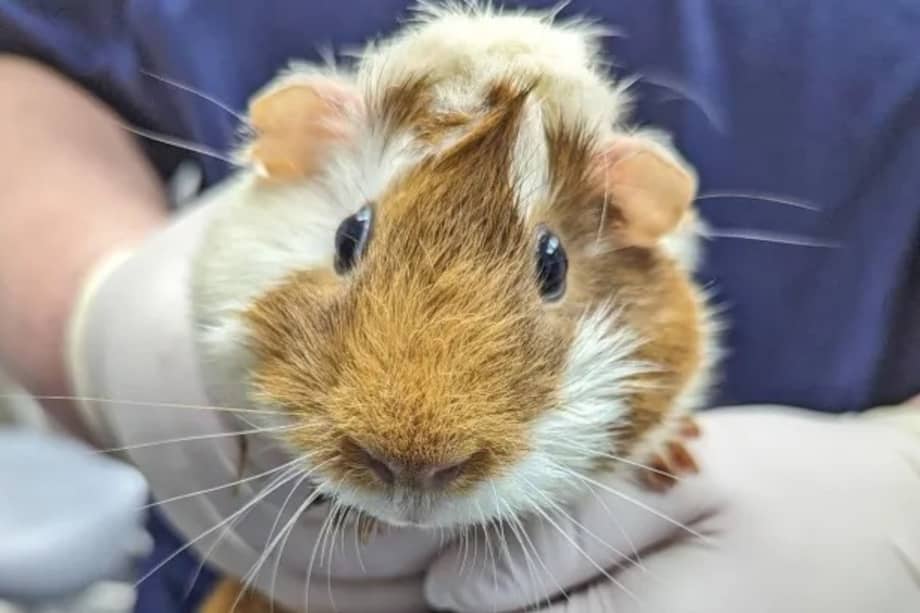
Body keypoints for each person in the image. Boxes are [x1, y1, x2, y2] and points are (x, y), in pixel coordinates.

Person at [1, 1, 919, 612]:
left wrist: (902, 487)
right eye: (356, 244)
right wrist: (98, 300)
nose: (420, 434)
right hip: (236, 555)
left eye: (548, 266)